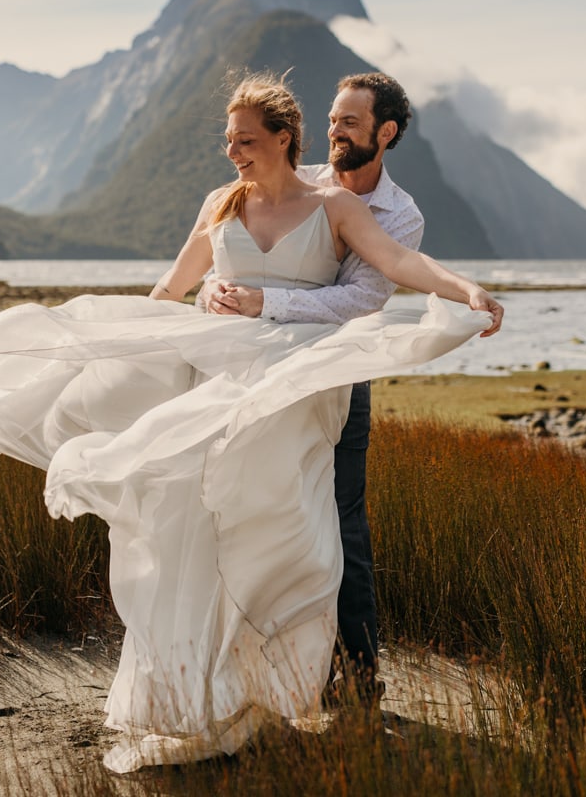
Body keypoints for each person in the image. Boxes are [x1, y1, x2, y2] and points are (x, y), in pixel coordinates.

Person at [0, 73, 502, 773]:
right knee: (199, 524)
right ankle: (208, 692)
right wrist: (128, 337)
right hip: (217, 381)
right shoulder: (225, 201)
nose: (233, 151)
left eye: (246, 140)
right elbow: (170, 290)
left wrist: (464, 288)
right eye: (228, 139)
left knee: (311, 536)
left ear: (292, 138)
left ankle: (334, 681)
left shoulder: (351, 207)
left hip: (308, 385)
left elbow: (386, 277)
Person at [195, 71, 420, 702]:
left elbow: (362, 301)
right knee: (257, 513)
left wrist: (267, 302)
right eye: (331, 120)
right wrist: (216, 290)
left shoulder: (398, 215)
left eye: (349, 122)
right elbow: (222, 251)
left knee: (342, 524)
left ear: (385, 132)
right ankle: (270, 667)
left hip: (337, 379)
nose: (335, 131)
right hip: (252, 375)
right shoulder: (299, 183)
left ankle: (357, 675)